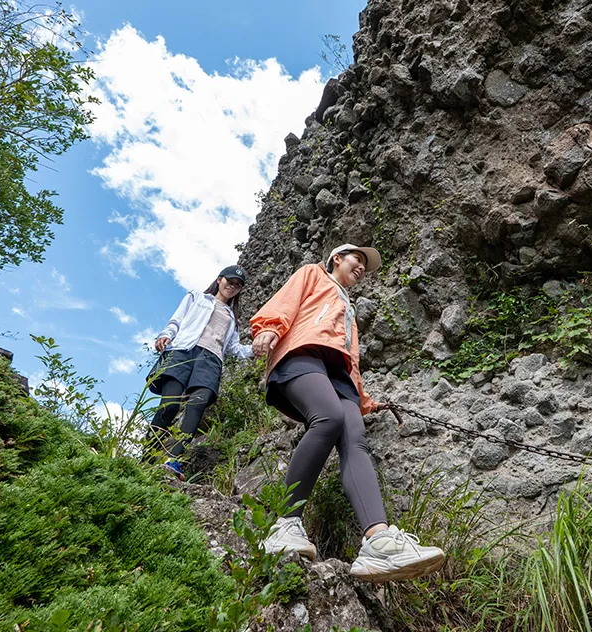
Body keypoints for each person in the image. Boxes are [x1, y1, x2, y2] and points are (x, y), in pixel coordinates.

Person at [250, 243, 445, 582]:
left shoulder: (349, 309)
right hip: (302, 353)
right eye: (357, 259)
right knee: (328, 417)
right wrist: (269, 327)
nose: (361, 268)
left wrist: (365, 401)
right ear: (337, 258)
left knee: (355, 438)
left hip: (338, 374)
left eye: (364, 267)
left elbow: (350, 360)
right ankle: (284, 524)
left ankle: (378, 541)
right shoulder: (313, 273)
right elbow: (286, 301)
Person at [145, 265, 253, 480]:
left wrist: (257, 348)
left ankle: (173, 460)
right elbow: (177, 320)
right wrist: (165, 335)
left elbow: (235, 349)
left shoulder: (232, 318)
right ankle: (147, 456)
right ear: (220, 279)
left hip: (211, 359)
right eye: (230, 281)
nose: (232, 286)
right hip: (182, 351)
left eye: (238, 285)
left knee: (197, 404)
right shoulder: (197, 297)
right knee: (170, 404)